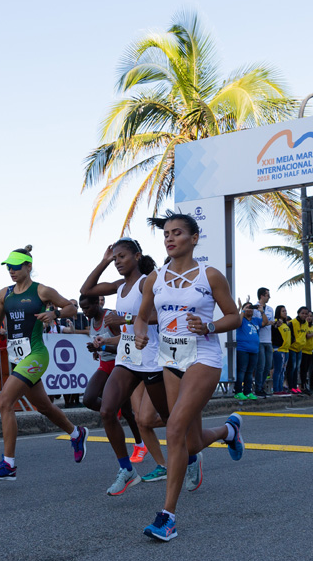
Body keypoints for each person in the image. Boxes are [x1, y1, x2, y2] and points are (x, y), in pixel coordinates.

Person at [134, 212, 244, 542]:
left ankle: (167, 516)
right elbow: (142, 317)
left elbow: (234, 316)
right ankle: (228, 430)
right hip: (171, 359)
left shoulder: (210, 276)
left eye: (177, 232)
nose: (170, 238)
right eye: (166, 234)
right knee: (191, 442)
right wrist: (140, 332)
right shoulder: (155, 278)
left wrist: (209, 325)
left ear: (194, 238)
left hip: (203, 357)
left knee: (174, 428)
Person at [0, 246, 88, 481]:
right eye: (9, 267)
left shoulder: (41, 290)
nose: (11, 271)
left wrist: (55, 315)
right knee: (45, 407)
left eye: (16, 267)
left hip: (36, 354)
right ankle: (76, 433)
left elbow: (71, 307)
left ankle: (9, 464)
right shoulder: (4, 294)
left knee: (4, 402)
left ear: (28, 266)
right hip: (18, 357)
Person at [79, 239, 170, 494]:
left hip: (150, 357)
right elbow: (86, 289)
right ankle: (127, 469)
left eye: (122, 257)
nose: (117, 261)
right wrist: (104, 261)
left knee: (168, 417)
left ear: (137, 256)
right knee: (107, 411)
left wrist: (126, 318)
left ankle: (192, 455)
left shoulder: (147, 282)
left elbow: (161, 316)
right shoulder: (119, 286)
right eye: (115, 258)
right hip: (127, 358)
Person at [78, 292, 148, 486]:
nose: (84, 311)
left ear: (98, 303)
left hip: (120, 366)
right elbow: (100, 344)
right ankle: (112, 413)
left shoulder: (110, 318)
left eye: (87, 307)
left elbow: (125, 344)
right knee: (89, 399)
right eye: (82, 308)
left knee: (127, 411)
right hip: (104, 366)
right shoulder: (92, 321)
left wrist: (102, 348)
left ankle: (140, 444)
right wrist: (96, 351)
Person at [234, 301, 261, 400]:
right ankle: (238, 391)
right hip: (242, 349)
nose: (250, 309)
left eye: (251, 308)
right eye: (247, 307)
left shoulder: (255, 320)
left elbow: (265, 322)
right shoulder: (241, 319)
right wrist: (242, 310)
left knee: (250, 372)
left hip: (254, 350)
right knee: (241, 371)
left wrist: (261, 311)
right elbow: (237, 323)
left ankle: (248, 391)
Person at [253, 288, 274, 396]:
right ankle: (258, 388)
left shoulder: (270, 309)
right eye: (267, 295)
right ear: (262, 296)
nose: (269, 297)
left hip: (268, 340)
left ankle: (262, 386)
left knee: (268, 365)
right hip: (259, 340)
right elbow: (256, 323)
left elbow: (271, 322)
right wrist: (266, 322)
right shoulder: (254, 308)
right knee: (260, 366)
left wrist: (272, 323)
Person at [287, 306, 307, 394]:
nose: (304, 315)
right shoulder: (292, 323)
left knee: (297, 368)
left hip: (300, 348)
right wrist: (293, 340)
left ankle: (295, 386)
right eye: (302, 313)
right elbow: (288, 333)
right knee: (292, 368)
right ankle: (291, 386)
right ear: (298, 313)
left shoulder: (306, 323)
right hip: (292, 348)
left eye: (306, 314)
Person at [271, 306, 290, 395]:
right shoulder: (275, 322)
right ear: (278, 312)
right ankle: (276, 389)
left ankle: (281, 388)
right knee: (278, 370)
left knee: (283, 370)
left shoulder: (286, 324)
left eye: (286, 311)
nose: (285, 312)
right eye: (283, 311)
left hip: (286, 350)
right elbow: (273, 333)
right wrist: (276, 325)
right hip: (278, 349)